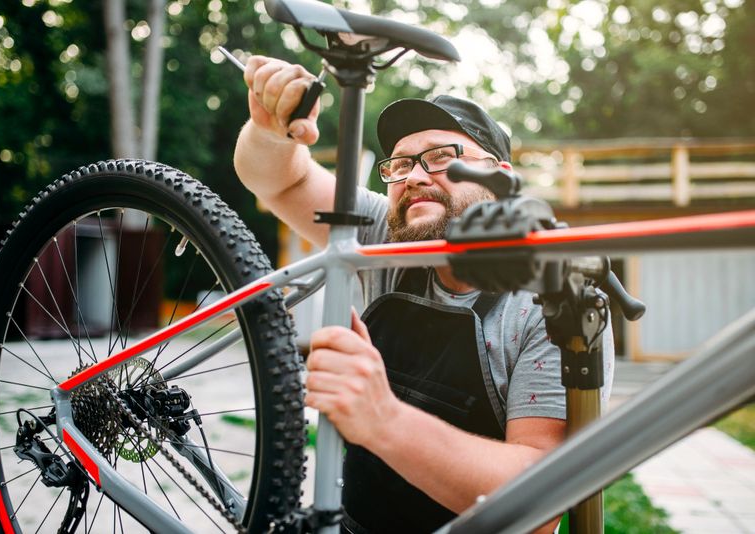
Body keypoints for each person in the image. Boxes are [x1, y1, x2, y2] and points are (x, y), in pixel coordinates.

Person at [234, 56, 614, 534]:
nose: (413, 176)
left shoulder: (551, 301)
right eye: (399, 164)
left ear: (499, 177)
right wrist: (268, 130)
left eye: (441, 157)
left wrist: (383, 418)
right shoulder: (387, 238)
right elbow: (278, 178)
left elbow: (538, 503)